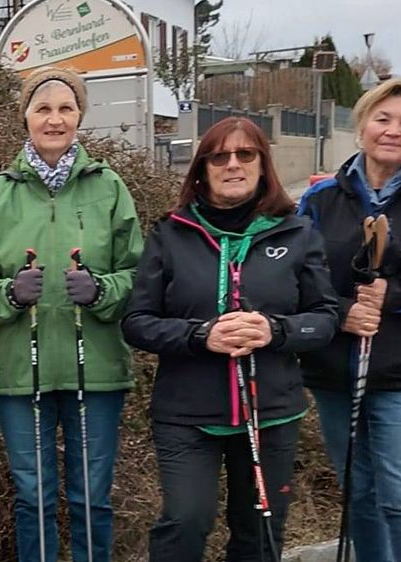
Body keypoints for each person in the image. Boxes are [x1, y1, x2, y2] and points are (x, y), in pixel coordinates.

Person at [122, 117, 338, 562]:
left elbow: (325, 318)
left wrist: (275, 330)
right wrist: (201, 335)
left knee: (259, 532)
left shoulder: (297, 233)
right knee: (186, 521)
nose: (233, 165)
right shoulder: (170, 234)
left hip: (271, 413)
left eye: (246, 155)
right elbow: (137, 322)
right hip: (187, 412)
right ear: (202, 169)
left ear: (263, 165)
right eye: (220, 156)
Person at [0, 67, 141, 562]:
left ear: (80, 115)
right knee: (33, 499)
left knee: (91, 499)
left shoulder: (109, 187)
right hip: (22, 373)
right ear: (25, 117)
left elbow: (140, 274)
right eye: (43, 108)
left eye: (65, 108)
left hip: (96, 371)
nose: (54, 119)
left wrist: (102, 289)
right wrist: (10, 295)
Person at [297, 77, 401, 562]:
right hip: (333, 370)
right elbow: (298, 278)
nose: (393, 131)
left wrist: (395, 295)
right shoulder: (320, 199)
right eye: (383, 119)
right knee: (361, 494)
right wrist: (340, 312)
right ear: (363, 124)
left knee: (400, 498)